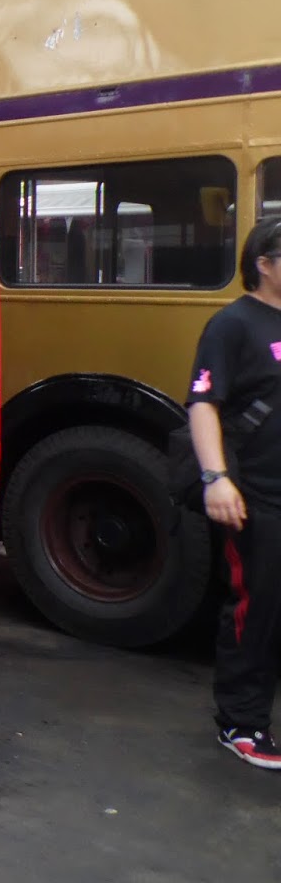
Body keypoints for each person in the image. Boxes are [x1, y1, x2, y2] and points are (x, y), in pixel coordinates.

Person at [186, 216, 281, 769]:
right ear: (264, 264)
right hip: (256, 497)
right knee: (256, 608)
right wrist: (216, 478)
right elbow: (203, 403)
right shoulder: (232, 325)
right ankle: (241, 724)